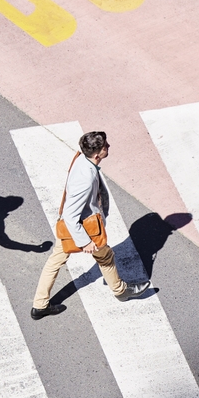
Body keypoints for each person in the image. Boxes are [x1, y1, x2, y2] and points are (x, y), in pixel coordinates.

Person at [31, 131, 150, 319]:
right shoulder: (85, 177)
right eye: (105, 146)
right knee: (105, 256)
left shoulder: (81, 160)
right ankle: (121, 291)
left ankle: (39, 305)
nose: (108, 147)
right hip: (84, 228)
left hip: (75, 226)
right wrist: (84, 242)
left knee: (56, 260)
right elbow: (71, 214)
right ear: (97, 154)